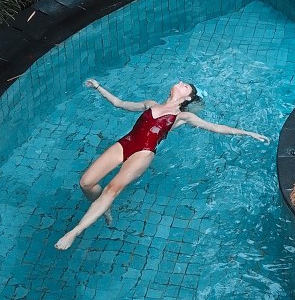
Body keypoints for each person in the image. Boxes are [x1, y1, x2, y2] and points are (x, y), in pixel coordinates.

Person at [55, 79, 269, 250]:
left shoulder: (183, 116)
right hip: (126, 143)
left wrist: (247, 132)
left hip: (143, 153)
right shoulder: (150, 104)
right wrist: (99, 87)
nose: (181, 82)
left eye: (186, 85)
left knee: (111, 189)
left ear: (188, 97)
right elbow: (119, 103)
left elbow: (216, 127)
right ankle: (103, 208)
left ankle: (75, 231)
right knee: (86, 183)